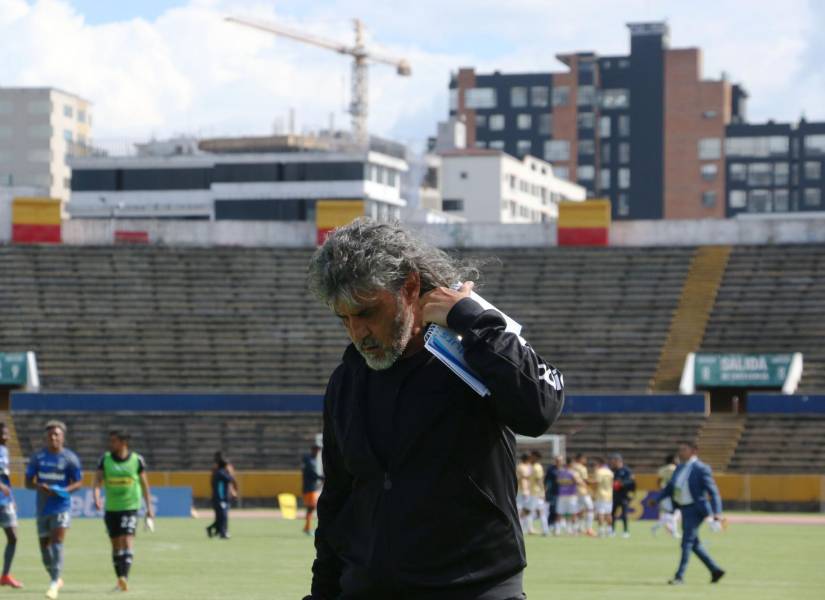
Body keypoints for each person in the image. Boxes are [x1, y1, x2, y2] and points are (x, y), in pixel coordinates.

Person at [304, 219, 564, 600]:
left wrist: (475, 321)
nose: (357, 332)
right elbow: (338, 503)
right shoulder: (347, 381)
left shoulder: (473, 350)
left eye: (366, 312)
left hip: (476, 589)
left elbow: (541, 408)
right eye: (343, 318)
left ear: (409, 286)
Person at [25, 420, 82, 600]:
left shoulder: (70, 458)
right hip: (43, 508)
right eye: (50, 435)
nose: (53, 437)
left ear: (62, 437)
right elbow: (27, 482)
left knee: (57, 544)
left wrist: (64, 491)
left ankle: (53, 584)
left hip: (61, 507)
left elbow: (79, 482)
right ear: (46, 438)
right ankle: (56, 578)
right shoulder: (38, 457)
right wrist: (40, 486)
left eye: (57, 434)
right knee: (44, 551)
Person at [93, 429, 154, 592]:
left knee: (127, 539)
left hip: (130, 506)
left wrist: (149, 508)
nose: (111, 444)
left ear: (123, 442)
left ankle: (124, 578)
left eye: (114, 441)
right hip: (112, 508)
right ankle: (120, 579)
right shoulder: (104, 460)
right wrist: (96, 495)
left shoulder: (136, 460)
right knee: (115, 544)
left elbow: (144, 485)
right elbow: (98, 480)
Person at [657, 441, 726, 585]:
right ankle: (715, 570)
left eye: (684, 449)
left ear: (694, 451)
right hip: (684, 508)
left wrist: (718, 512)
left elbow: (713, 492)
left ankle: (679, 576)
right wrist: (657, 499)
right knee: (694, 543)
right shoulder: (680, 467)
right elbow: (670, 487)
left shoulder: (701, 468)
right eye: (680, 450)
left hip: (696, 509)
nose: (680, 452)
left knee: (686, 542)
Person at [0, 423, 22, 588]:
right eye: (3, 433)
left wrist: (12, 498)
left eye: (7, 433)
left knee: (13, 537)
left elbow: (4, 477)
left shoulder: (5, 451)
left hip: (5, 501)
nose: (7, 436)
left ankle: (5, 575)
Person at [206, 452, 237, 539]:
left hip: (221, 498)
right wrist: (231, 472)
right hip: (221, 499)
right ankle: (223, 533)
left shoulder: (218, 472)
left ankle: (216, 530)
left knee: (221, 517)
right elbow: (230, 479)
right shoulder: (221, 473)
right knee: (223, 516)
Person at [651, 453, 680, 538]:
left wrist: (662, 490)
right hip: (673, 492)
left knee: (670, 513)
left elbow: (659, 481)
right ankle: (674, 533)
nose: (678, 460)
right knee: (673, 512)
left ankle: (655, 527)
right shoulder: (675, 468)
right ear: (673, 460)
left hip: (664, 492)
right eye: (676, 459)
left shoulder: (662, 469)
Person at [609, 453, 635, 538]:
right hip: (615, 495)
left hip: (624, 495)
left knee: (624, 514)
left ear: (619, 461)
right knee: (613, 513)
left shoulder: (627, 470)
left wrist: (621, 484)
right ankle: (612, 531)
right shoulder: (613, 470)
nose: (612, 462)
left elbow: (632, 482)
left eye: (614, 460)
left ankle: (626, 531)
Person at [302, 444, 324, 535]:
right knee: (311, 508)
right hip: (309, 488)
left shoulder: (312, 460)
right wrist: (321, 478)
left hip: (311, 487)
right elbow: (312, 474)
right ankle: (307, 528)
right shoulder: (309, 460)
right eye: (316, 450)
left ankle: (307, 527)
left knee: (311, 508)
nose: (317, 452)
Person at [554, 458, 579, 536]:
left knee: (559, 513)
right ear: (570, 464)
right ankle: (574, 530)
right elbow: (577, 481)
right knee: (573, 513)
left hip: (562, 495)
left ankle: (557, 531)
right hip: (571, 495)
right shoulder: (573, 472)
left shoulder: (561, 472)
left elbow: (557, 481)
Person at [571, 453, 595, 536]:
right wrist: (595, 482)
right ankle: (589, 529)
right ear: (580, 459)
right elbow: (585, 480)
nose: (586, 460)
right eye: (584, 459)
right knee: (590, 508)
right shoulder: (582, 468)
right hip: (582, 491)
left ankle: (576, 529)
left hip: (573, 491)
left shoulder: (572, 466)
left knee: (578, 510)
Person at [527, 451, 549, 536]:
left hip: (536, 493)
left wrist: (542, 493)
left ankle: (544, 530)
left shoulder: (537, 467)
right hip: (533, 492)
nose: (530, 457)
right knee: (530, 511)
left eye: (531, 456)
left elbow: (540, 481)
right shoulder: (532, 466)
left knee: (538, 512)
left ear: (535, 457)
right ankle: (531, 529)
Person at [592, 457, 614, 538]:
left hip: (601, 495)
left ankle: (601, 531)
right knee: (608, 514)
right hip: (609, 495)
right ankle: (610, 531)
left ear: (599, 464)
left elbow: (597, 483)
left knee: (600, 513)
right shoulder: (610, 472)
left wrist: (588, 482)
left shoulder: (599, 472)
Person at [516, 454, 533, 534]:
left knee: (528, 510)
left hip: (528, 490)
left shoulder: (529, 466)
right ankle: (519, 527)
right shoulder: (521, 466)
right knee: (519, 509)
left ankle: (528, 528)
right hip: (522, 490)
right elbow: (524, 476)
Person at [543, 455, 561, 531]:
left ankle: (556, 526)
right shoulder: (551, 469)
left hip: (562, 492)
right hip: (552, 492)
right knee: (552, 509)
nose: (559, 462)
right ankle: (550, 524)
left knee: (559, 509)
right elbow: (546, 480)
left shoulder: (563, 469)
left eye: (560, 460)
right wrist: (545, 491)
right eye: (558, 460)